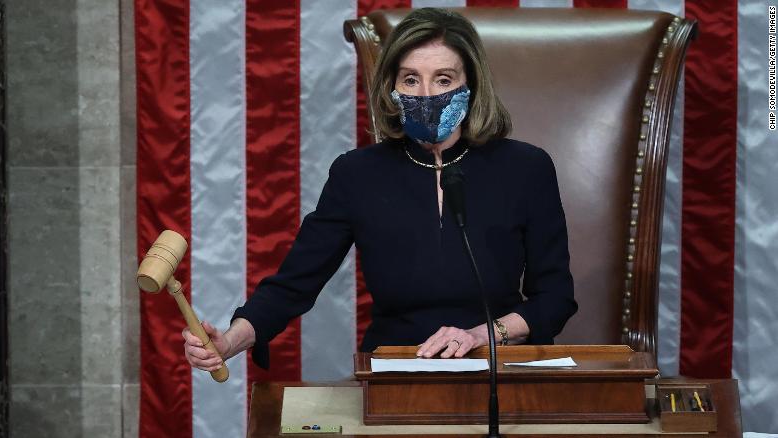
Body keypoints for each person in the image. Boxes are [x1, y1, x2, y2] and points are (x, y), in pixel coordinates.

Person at [184, 8, 577, 373]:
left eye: (444, 79)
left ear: (471, 84)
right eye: (410, 79)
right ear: (392, 88)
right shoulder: (357, 174)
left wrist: (481, 335)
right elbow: (294, 284)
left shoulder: (526, 168)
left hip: (500, 366)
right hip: (397, 368)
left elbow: (555, 297)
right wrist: (232, 339)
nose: (426, 94)